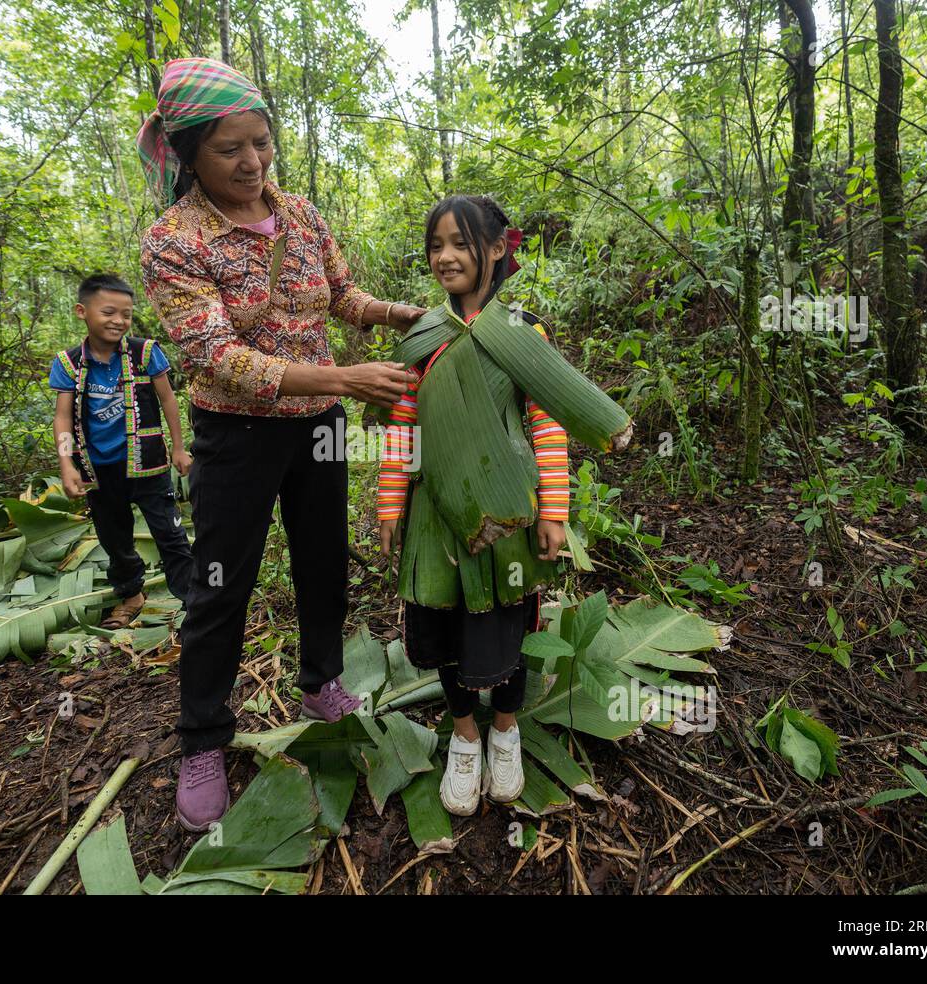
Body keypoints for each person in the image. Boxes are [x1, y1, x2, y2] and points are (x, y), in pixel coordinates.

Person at [138, 56, 426, 830]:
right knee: (219, 586)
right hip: (235, 438)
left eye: (261, 143)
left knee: (322, 559)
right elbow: (216, 357)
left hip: (318, 431)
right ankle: (202, 739)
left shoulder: (298, 213)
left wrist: (399, 316)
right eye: (231, 149)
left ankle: (321, 680)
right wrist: (339, 380)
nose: (252, 163)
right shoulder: (173, 241)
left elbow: (341, 295)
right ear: (189, 152)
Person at [378, 195, 570, 815]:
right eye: (437, 245)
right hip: (436, 520)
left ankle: (506, 731)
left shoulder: (521, 332)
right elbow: (402, 429)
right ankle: (465, 738)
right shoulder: (424, 336)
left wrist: (554, 511)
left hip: (507, 518)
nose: (446, 257)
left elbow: (547, 423)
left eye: (461, 243)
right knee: (444, 631)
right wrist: (389, 509)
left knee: (503, 628)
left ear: (496, 250)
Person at [50, 273, 194, 627]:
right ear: (82, 311)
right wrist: (67, 464)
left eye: (126, 314)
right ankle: (131, 595)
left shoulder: (145, 352)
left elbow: (168, 400)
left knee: (170, 533)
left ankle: (194, 602)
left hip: (149, 466)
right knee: (114, 538)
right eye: (109, 312)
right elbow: (63, 417)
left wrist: (178, 447)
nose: (119, 321)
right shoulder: (68, 363)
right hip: (99, 471)